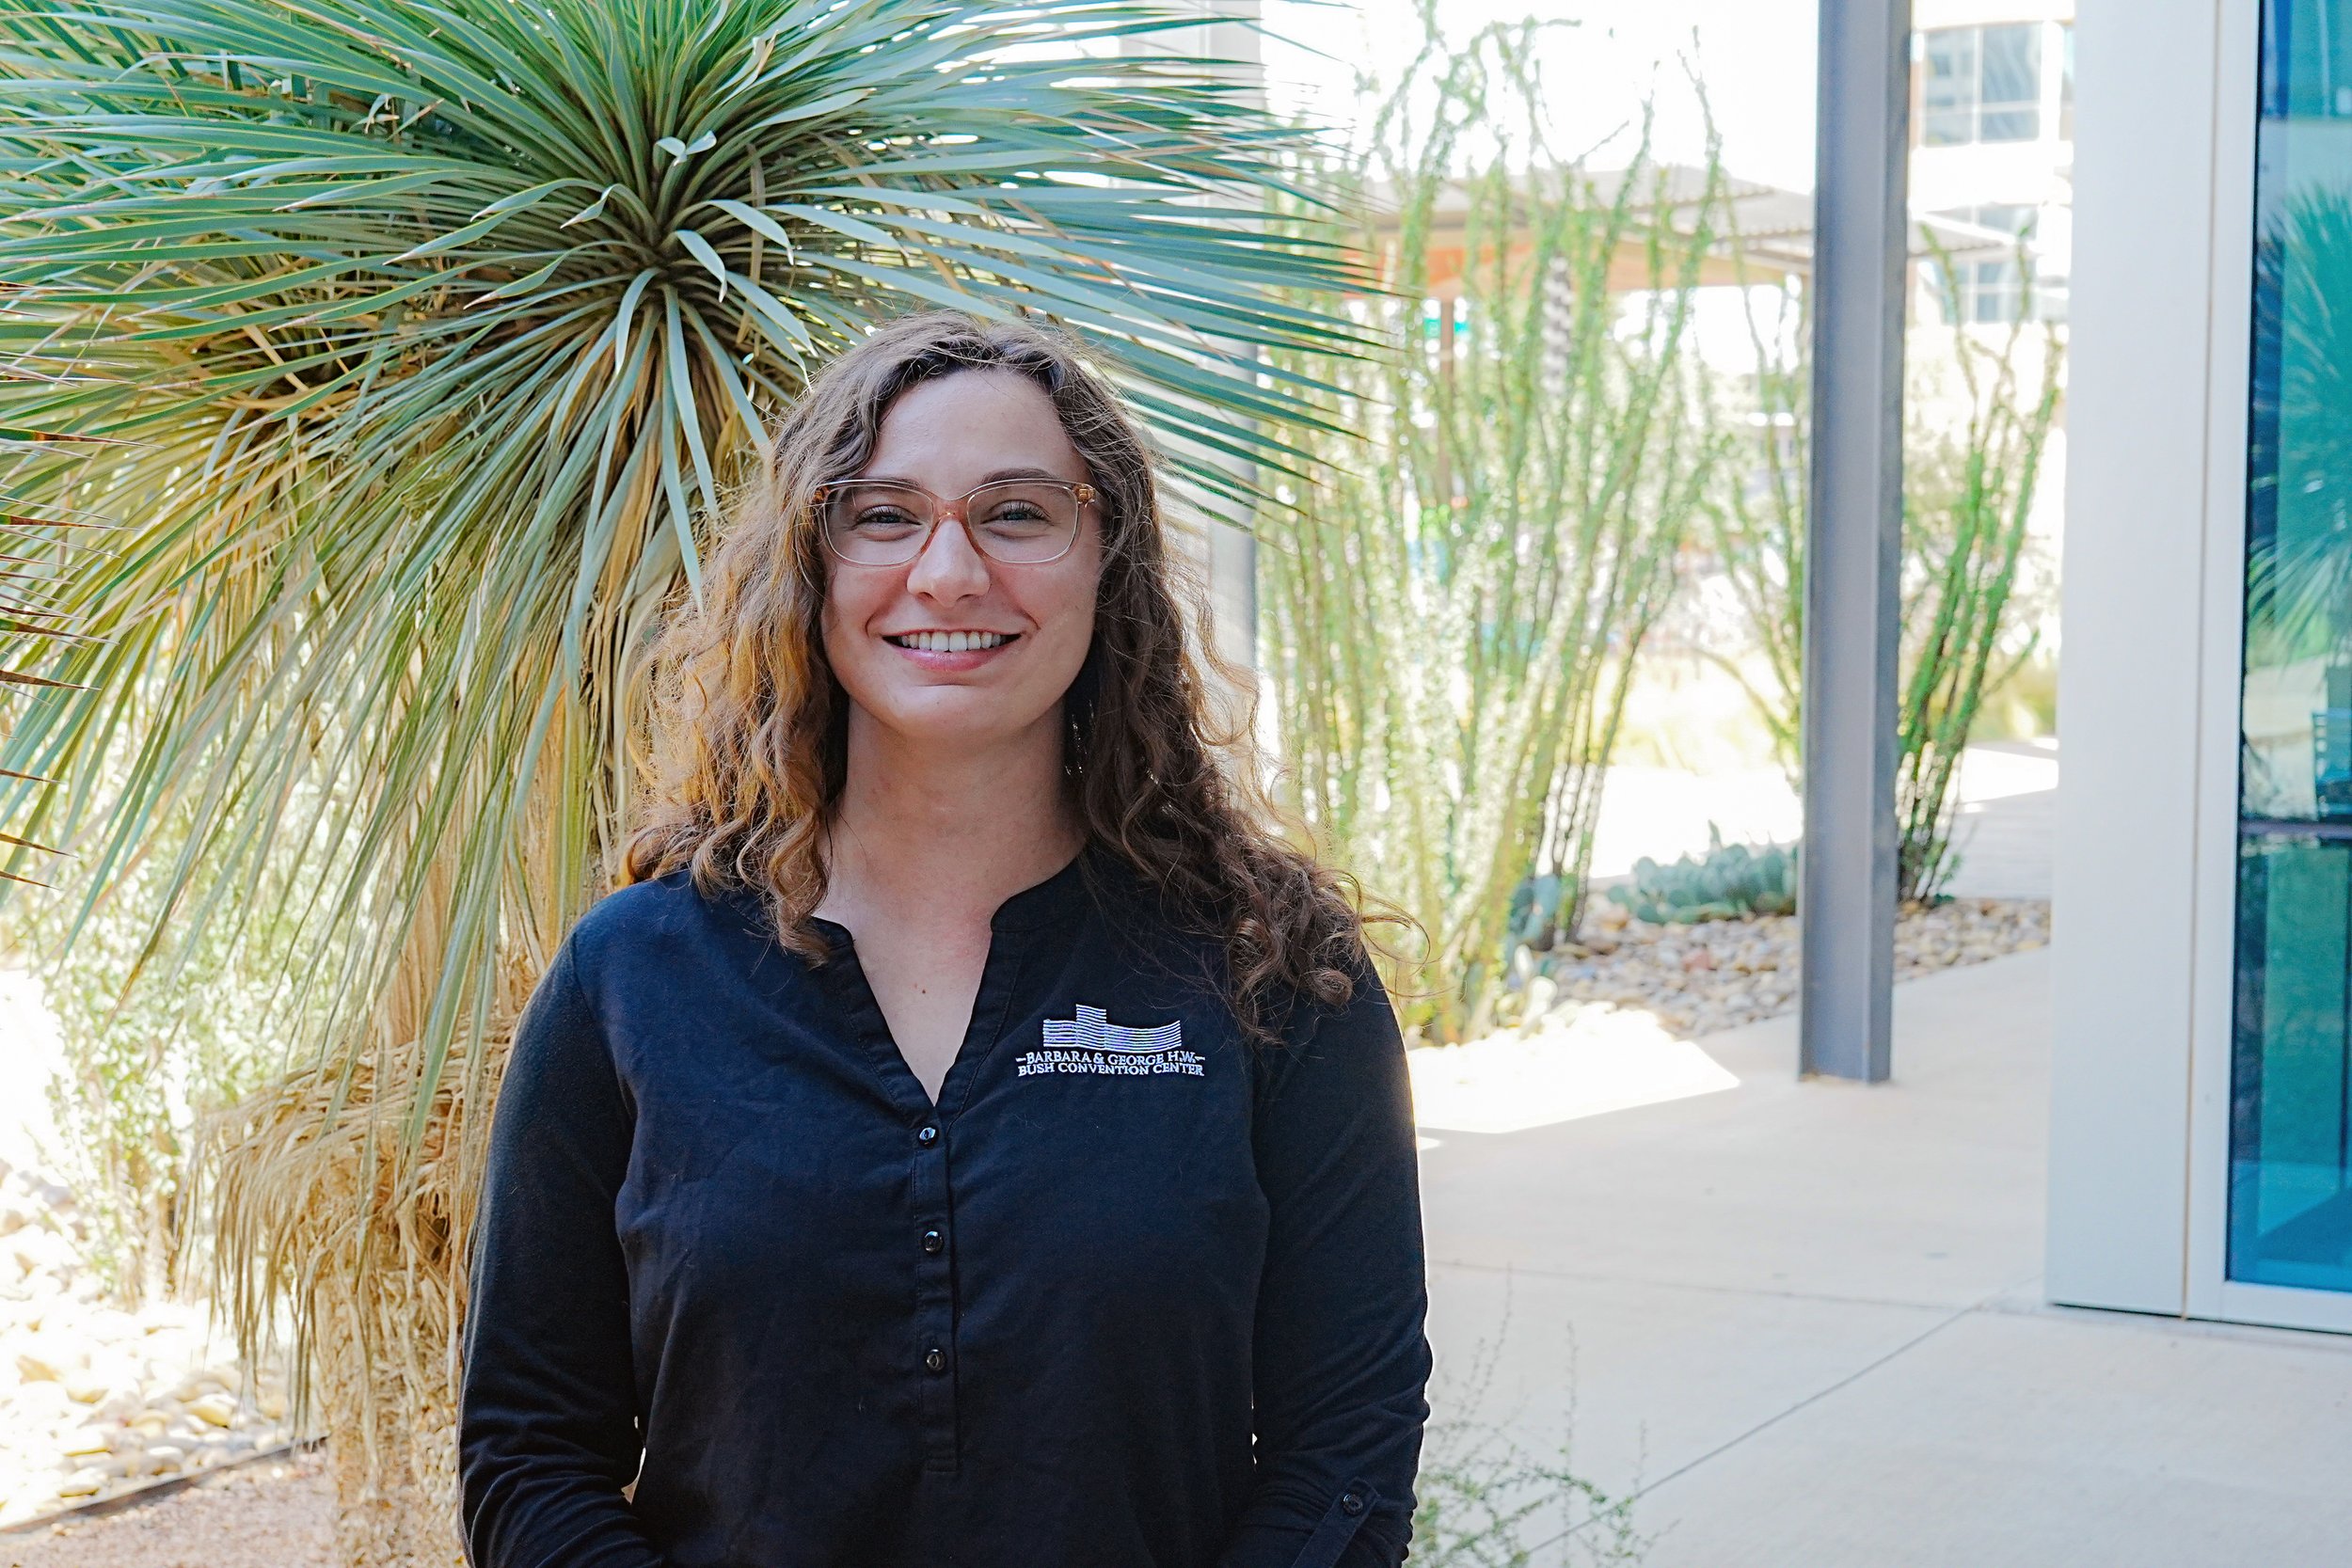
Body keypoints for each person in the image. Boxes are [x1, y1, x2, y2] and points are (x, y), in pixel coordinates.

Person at [457, 310, 1431, 1568]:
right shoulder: (634, 975)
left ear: (1106, 560)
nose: (952, 573)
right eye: (884, 516)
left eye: (1018, 513)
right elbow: (530, 1454)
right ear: (810, 566)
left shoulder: (1270, 975)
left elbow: (1346, 1453)